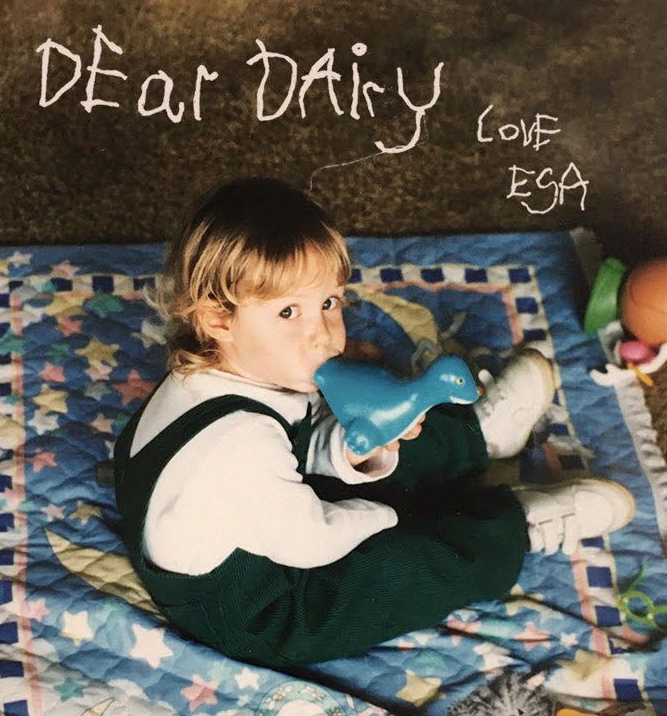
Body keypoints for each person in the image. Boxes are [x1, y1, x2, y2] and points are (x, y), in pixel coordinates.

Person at [112, 177, 635, 667]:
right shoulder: (239, 445)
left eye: (329, 302)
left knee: (377, 438)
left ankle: (476, 437)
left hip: (262, 510)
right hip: (265, 607)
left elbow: (300, 441)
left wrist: (353, 453)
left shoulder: (225, 370)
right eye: (288, 313)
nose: (322, 334)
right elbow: (311, 540)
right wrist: (383, 517)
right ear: (218, 318)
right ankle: (515, 529)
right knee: (398, 571)